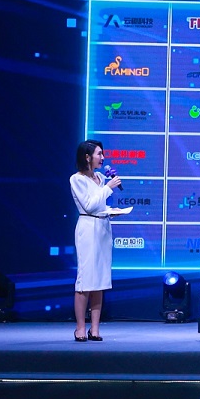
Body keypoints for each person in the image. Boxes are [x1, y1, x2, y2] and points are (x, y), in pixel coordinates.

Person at [69, 139, 132, 342]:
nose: (102, 158)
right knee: (86, 278)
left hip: (103, 227)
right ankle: (80, 327)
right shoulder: (77, 179)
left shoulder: (100, 177)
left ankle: (94, 328)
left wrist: (112, 211)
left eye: (102, 154)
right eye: (99, 154)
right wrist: (108, 187)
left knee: (99, 279)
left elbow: (100, 205)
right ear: (87, 157)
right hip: (88, 228)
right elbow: (89, 205)